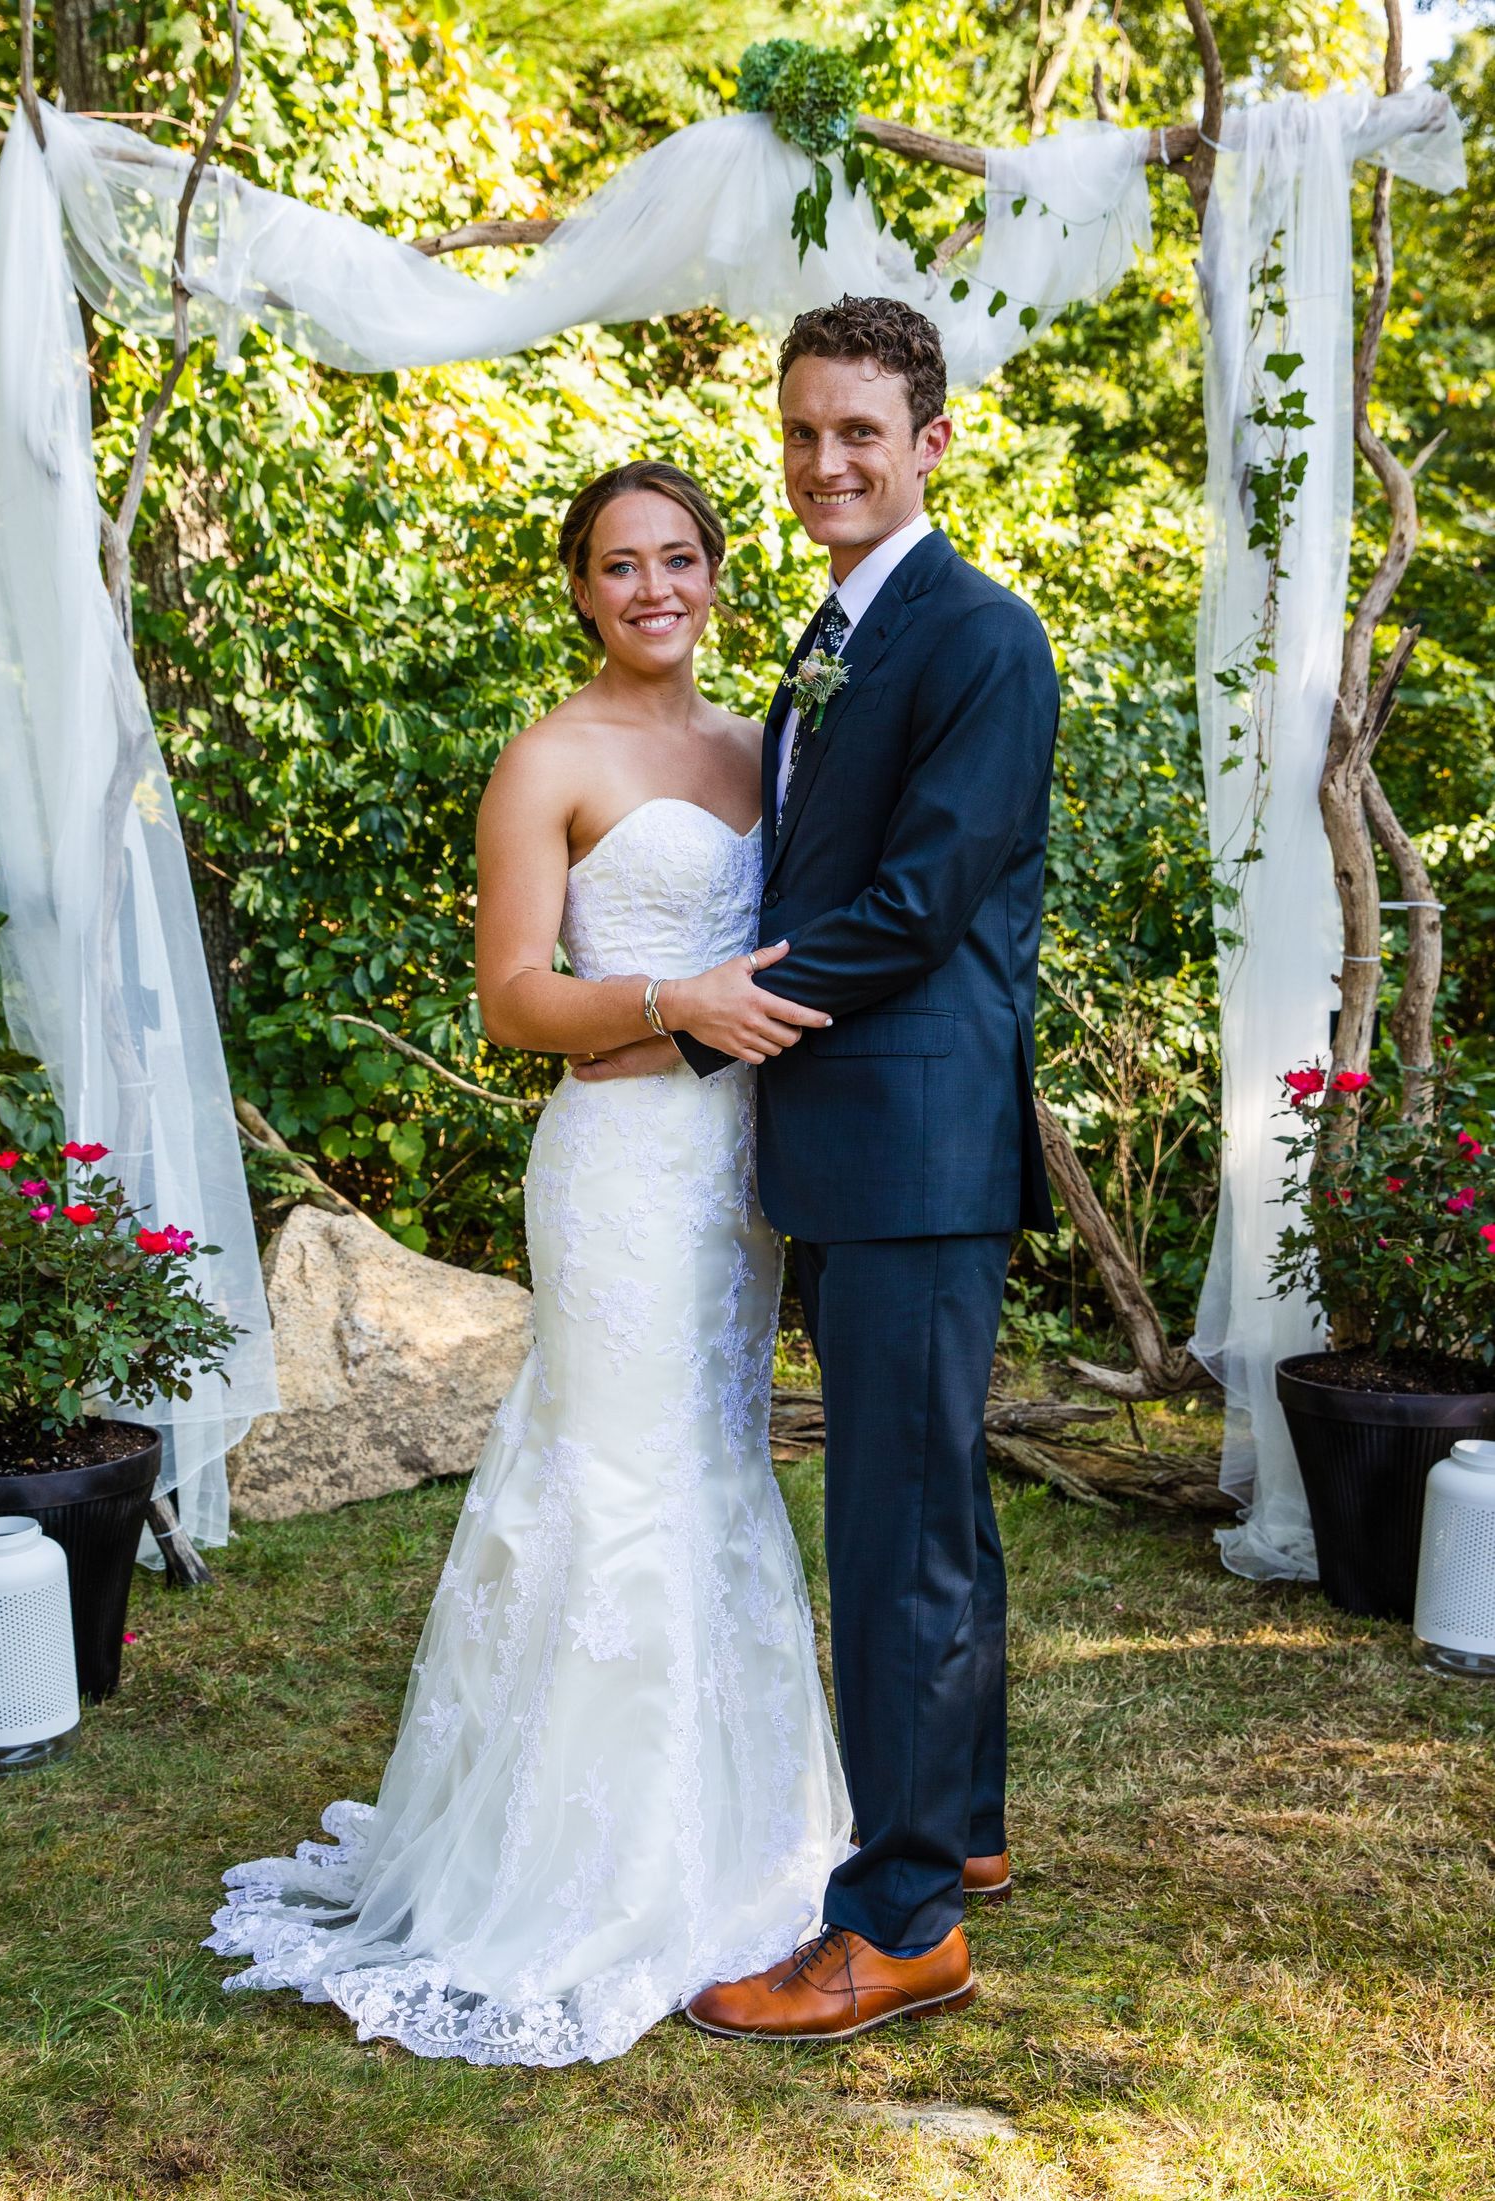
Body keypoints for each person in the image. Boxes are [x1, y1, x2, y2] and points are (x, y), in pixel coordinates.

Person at [205, 459, 852, 2067]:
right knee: (615, 1476)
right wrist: (670, 1000)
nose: (656, 589)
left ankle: (745, 1839)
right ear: (580, 586)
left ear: (715, 572)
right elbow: (510, 1000)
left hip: (737, 1175)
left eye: (681, 559)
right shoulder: (546, 757)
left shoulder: (763, 744)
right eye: (621, 565)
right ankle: (586, 1870)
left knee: (716, 1468)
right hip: (623, 1169)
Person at [577, 297, 1060, 2043]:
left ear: (934, 440)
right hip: (854, 1141)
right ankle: (971, 1828)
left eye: (861, 431)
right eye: (802, 433)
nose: (826, 461)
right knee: (930, 1506)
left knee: (898, 1532)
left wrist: (698, 1024)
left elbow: (918, 903)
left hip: (916, 1139)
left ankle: (901, 1917)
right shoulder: (836, 629)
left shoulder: (981, 637)